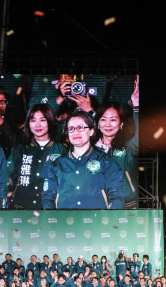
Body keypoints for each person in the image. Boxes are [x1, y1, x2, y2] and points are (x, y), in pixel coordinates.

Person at [41, 111, 123, 209]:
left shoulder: (107, 161)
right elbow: (48, 198)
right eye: (71, 129)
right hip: (65, 221)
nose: (76, 132)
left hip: (97, 221)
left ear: (91, 131)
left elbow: (117, 196)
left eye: (81, 127)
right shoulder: (57, 164)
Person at [90, 79, 140, 208]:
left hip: (128, 206)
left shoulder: (127, 148)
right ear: (98, 124)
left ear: (121, 124)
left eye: (113, 119)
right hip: (97, 208)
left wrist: (136, 106)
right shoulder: (88, 149)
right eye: (103, 119)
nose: (107, 124)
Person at [8, 104, 67, 209]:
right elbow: (5, 176)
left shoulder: (61, 150)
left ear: (50, 121)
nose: (37, 125)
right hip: (21, 209)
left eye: (42, 120)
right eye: (33, 120)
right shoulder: (20, 150)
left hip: (50, 209)